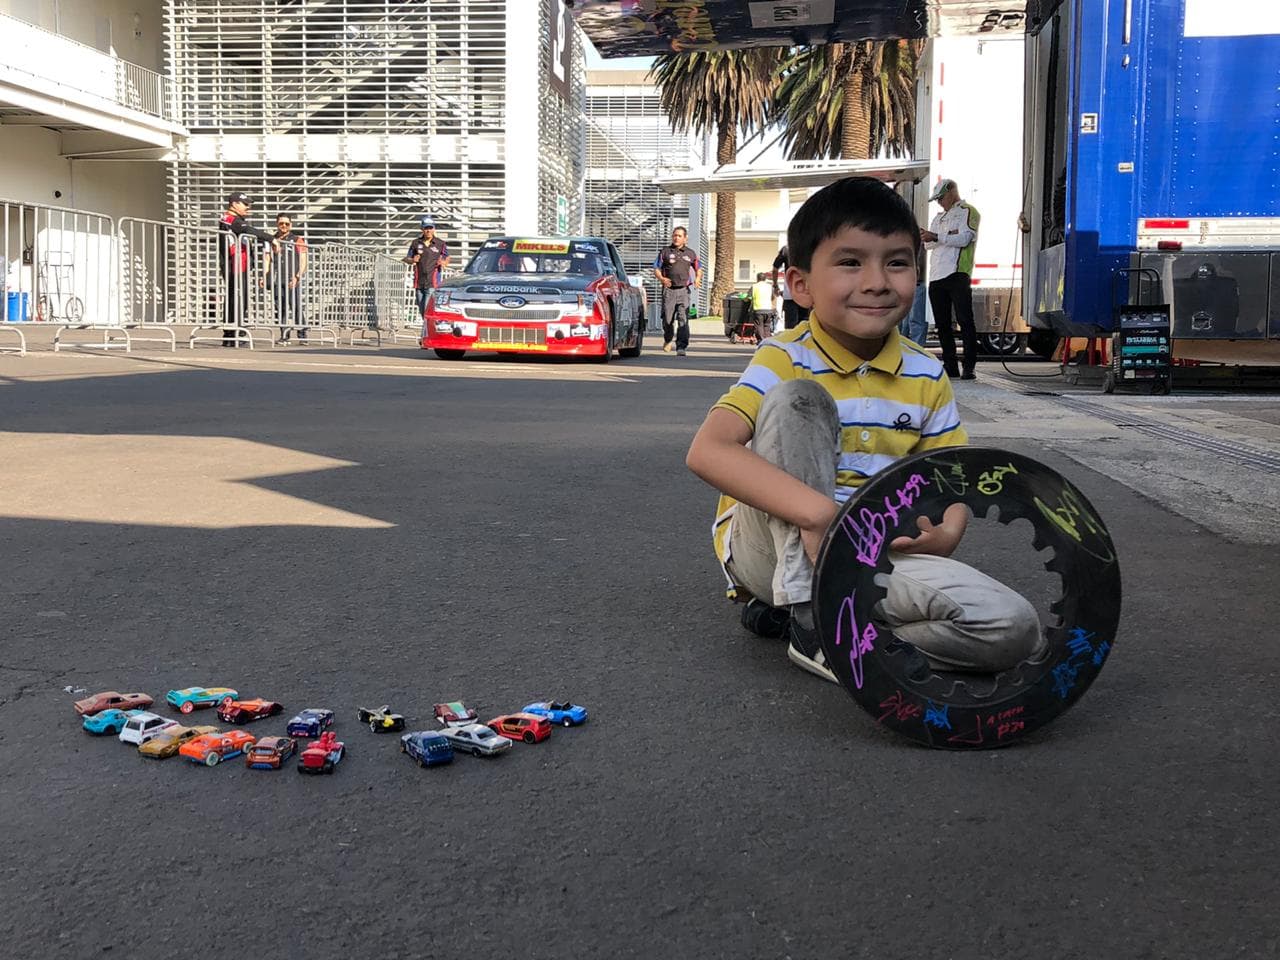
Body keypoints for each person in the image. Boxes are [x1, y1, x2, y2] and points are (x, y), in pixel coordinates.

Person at [685, 177, 1042, 683]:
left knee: (1014, 629)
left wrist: (948, 529)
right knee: (799, 400)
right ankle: (811, 617)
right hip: (770, 552)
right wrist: (821, 516)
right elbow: (708, 451)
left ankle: (862, 638)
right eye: (850, 262)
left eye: (896, 262)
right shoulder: (784, 357)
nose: (877, 281)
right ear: (800, 285)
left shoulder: (926, 374)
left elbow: (952, 478)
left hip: (873, 554)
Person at [922, 178, 981, 379]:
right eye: (937, 200)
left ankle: (969, 366)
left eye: (941, 198)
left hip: (957, 272)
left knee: (965, 320)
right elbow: (928, 245)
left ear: (952, 192)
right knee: (942, 324)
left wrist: (938, 237)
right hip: (936, 275)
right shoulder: (938, 217)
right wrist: (936, 237)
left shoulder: (967, 211)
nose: (940, 202)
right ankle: (950, 365)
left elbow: (965, 239)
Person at [218, 192, 278, 347]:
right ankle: (234, 331)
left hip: (239, 265)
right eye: (245, 204)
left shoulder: (234, 220)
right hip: (235, 265)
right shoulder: (230, 219)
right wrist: (271, 238)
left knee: (237, 298)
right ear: (234, 204)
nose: (248, 207)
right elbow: (249, 230)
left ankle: (232, 333)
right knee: (237, 298)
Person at [653, 226, 701, 356]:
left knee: (683, 318)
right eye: (674, 235)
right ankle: (668, 339)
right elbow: (656, 268)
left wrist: (697, 279)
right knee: (668, 320)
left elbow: (698, 268)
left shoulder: (690, 253)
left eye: (679, 236)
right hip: (669, 291)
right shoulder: (665, 252)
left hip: (684, 291)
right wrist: (662, 279)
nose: (676, 238)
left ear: (685, 238)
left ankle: (681, 346)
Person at [263, 212, 308, 342]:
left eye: (287, 224)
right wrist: (264, 276)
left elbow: (304, 260)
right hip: (277, 278)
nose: (284, 226)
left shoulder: (297, 239)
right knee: (280, 307)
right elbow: (267, 259)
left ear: (291, 225)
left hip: (292, 278)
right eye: (281, 223)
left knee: (296, 306)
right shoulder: (271, 239)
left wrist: (297, 276)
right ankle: (284, 334)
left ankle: (302, 334)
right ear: (277, 224)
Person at [403, 216, 450, 319]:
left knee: (426, 310)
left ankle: (426, 328)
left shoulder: (440, 243)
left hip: (432, 282)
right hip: (419, 282)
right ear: (422, 229)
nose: (428, 230)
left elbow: (447, 257)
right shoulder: (416, 243)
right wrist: (412, 260)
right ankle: (427, 326)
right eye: (426, 228)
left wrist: (443, 263)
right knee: (421, 309)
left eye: (430, 228)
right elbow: (406, 258)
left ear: (434, 229)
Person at [772, 245, 810, 328]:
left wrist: (775, 285)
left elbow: (775, 269)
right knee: (805, 324)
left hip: (790, 294)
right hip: (806, 292)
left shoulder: (786, 249)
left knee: (790, 325)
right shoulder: (809, 247)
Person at [898, 246, 928, 346]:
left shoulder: (922, 243)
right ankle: (902, 348)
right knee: (903, 322)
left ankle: (916, 349)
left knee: (915, 320)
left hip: (918, 283)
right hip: (904, 284)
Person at [749, 271, 775, 340]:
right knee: (767, 325)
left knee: (759, 325)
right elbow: (773, 297)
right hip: (768, 310)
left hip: (758, 310)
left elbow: (749, 297)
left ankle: (761, 340)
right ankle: (767, 340)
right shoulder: (770, 286)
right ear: (765, 279)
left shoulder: (754, 286)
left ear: (757, 278)